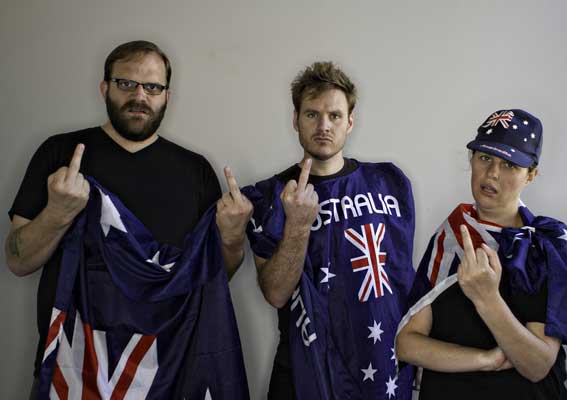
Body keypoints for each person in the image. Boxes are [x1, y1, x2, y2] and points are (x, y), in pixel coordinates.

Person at [4, 40, 252, 396]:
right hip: (73, 372)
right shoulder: (60, 154)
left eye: (152, 87)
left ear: (167, 96)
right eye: (126, 83)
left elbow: (214, 276)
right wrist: (58, 213)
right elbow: (17, 260)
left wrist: (231, 238)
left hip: (168, 373)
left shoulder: (195, 171)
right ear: (105, 88)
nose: (139, 96)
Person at [243, 61, 416, 399]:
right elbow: (275, 293)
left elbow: (401, 277)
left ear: (350, 121)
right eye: (312, 114)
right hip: (305, 369)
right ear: (296, 120)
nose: (324, 126)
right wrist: (297, 225)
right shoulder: (270, 195)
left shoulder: (388, 183)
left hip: (379, 365)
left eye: (334, 115)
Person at [395, 109, 567, 399]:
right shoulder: (451, 234)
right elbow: (407, 344)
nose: (493, 173)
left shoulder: (544, 244)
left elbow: (537, 365)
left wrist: (487, 298)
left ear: (531, 175)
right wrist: (486, 360)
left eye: (509, 164)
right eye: (485, 158)